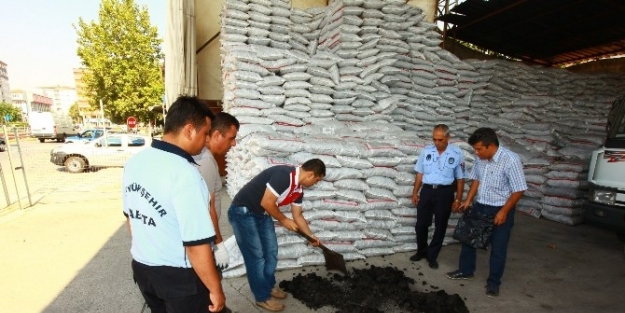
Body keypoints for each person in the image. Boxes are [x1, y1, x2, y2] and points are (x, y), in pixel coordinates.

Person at [122, 95, 226, 313]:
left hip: (143, 269)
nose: (207, 140)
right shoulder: (185, 173)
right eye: (205, 133)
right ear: (189, 130)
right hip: (179, 278)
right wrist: (215, 289)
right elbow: (196, 245)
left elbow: (132, 219)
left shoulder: (135, 162)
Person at [228, 159, 326, 312]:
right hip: (243, 212)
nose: (316, 183)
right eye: (317, 180)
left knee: (271, 253)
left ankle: (267, 286)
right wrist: (284, 220)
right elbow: (267, 202)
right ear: (311, 174)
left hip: (262, 215)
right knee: (256, 257)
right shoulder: (284, 175)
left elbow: (298, 215)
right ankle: (262, 297)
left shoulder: (298, 190)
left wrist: (311, 236)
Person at [446, 127, 527, 298]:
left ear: (491, 146)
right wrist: (468, 200)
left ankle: (493, 283)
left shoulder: (511, 160)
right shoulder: (480, 158)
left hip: (500, 208)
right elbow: (476, 179)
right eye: (475, 149)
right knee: (468, 239)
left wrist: (504, 212)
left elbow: (519, 190)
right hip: (481, 205)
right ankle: (466, 270)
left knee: (498, 248)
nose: (476, 152)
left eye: (479, 149)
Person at [410, 124, 466, 270]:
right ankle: (421, 251)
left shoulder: (457, 153)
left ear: (448, 137)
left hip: (445, 193)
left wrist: (458, 199)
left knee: (440, 225)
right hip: (427, 191)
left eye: (440, 140)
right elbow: (420, 173)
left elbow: (460, 179)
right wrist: (415, 192)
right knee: (421, 224)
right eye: (434, 139)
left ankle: (432, 255)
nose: (436, 142)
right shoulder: (427, 151)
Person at [193, 112, 240, 272]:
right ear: (217, 135)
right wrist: (219, 245)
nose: (233, 144)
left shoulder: (206, 158)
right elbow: (207, 208)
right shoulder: (205, 161)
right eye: (231, 138)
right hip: (203, 236)